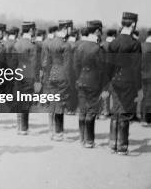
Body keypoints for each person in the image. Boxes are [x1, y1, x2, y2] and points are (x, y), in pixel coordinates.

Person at [105, 12, 141, 155]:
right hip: (128, 82)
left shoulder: (113, 43)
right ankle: (122, 146)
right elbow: (136, 67)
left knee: (116, 112)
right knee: (125, 113)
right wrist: (139, 88)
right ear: (133, 24)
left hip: (114, 81)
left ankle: (112, 143)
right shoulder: (134, 44)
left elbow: (108, 66)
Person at [73, 20, 106, 148]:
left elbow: (75, 66)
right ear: (97, 31)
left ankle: (82, 138)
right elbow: (102, 69)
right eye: (100, 30)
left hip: (81, 80)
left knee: (82, 109)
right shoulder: (98, 48)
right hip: (93, 82)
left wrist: (79, 78)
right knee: (91, 110)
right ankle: (89, 140)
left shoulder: (80, 46)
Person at [42, 20, 73, 141]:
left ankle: (52, 130)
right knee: (60, 104)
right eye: (70, 28)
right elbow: (68, 66)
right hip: (62, 76)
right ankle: (59, 132)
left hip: (51, 75)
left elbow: (46, 63)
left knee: (53, 103)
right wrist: (69, 80)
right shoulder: (66, 45)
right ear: (65, 28)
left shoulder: (50, 43)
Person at [11, 21, 41, 135]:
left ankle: (19, 126)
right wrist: (37, 80)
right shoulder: (32, 45)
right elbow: (34, 65)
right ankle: (24, 127)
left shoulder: (17, 44)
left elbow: (13, 63)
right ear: (31, 30)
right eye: (34, 29)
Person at [141, 30, 151, 127]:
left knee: (144, 97)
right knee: (148, 97)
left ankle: (144, 118)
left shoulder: (141, 46)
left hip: (142, 74)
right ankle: (146, 119)